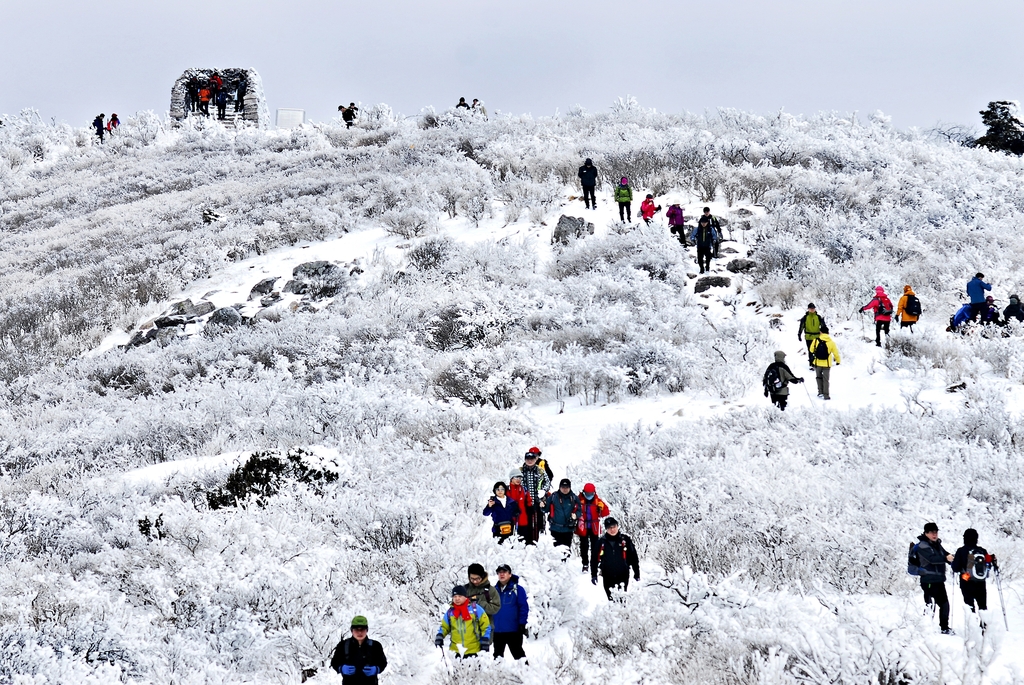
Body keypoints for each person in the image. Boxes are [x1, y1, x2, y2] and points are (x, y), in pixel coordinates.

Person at [909, 522, 954, 635]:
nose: (935, 534)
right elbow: (933, 559)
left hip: (938, 580)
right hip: (928, 580)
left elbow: (945, 556)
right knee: (931, 605)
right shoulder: (922, 546)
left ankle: (944, 628)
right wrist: (946, 558)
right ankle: (928, 629)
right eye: (932, 532)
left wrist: (954, 559)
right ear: (926, 533)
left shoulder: (937, 545)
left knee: (944, 604)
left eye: (936, 532)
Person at [951, 528, 994, 627]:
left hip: (966, 581)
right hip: (981, 583)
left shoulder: (961, 551)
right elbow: (988, 566)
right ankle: (984, 628)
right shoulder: (982, 551)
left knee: (970, 607)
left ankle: (973, 629)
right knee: (983, 607)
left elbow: (956, 568)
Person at [591, 517, 640, 600]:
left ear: (617, 526)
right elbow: (594, 559)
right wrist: (594, 575)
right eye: (609, 527)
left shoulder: (625, 539)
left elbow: (633, 557)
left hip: (623, 574)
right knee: (611, 599)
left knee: (622, 599)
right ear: (606, 529)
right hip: (607, 575)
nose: (612, 529)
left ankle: (623, 613)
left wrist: (637, 572)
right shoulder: (601, 542)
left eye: (614, 526)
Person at [329, 615, 388, 683]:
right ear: (352, 630)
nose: (360, 632)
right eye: (356, 629)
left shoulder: (375, 646)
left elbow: (383, 663)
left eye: (362, 629)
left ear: (367, 630)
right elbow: (335, 662)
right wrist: (341, 668)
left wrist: (376, 669)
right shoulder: (343, 645)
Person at [435, 586, 491, 657]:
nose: (457, 598)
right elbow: (444, 627)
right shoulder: (450, 612)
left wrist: (485, 639)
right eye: (455, 596)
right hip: (456, 651)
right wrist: (440, 635)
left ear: (465, 597)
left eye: (460, 596)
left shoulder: (475, 609)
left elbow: (485, 626)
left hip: (474, 650)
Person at [491, 564, 529, 661]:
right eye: (499, 572)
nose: (502, 574)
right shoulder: (493, 591)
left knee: (519, 656)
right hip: (498, 631)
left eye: (504, 572)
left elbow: (523, 607)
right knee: (497, 658)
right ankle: (497, 675)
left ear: (510, 574)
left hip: (513, 630)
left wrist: (522, 624)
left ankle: (526, 674)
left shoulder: (518, 589)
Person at [577, 483, 609, 575]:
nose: (589, 495)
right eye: (587, 493)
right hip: (583, 526)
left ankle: (595, 563)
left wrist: (602, 508)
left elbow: (605, 512)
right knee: (584, 545)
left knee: (596, 546)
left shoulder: (597, 501)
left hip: (594, 527)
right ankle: (585, 564)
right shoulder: (579, 500)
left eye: (591, 493)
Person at [519, 450, 550, 544]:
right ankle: (526, 542)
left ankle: (536, 542)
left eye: (531, 459)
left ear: (535, 459)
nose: (529, 461)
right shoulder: (520, 471)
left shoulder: (540, 471)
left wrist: (543, 491)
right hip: (524, 502)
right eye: (528, 459)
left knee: (537, 524)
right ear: (525, 460)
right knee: (525, 523)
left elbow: (547, 482)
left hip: (538, 501)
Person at [809, 324, 840, 400]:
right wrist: (838, 361)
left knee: (818, 377)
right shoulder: (831, 342)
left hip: (817, 363)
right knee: (826, 380)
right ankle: (826, 395)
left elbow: (811, 350)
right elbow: (836, 353)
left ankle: (820, 392)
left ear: (821, 332)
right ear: (828, 333)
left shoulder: (816, 340)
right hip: (827, 364)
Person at [548, 478, 580, 551]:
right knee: (556, 552)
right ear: (560, 487)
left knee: (566, 551)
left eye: (567, 487)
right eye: (563, 487)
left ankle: (565, 562)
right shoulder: (553, 497)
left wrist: (576, 515)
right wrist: (542, 505)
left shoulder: (574, 498)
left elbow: (579, 511)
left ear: (570, 488)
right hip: (555, 528)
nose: (565, 489)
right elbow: (546, 509)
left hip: (568, 529)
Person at [797, 303, 826, 368]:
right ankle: (811, 363)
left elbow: (823, 326)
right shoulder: (805, 318)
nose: (812, 310)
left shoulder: (818, 317)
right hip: (808, 337)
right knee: (810, 350)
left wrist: (825, 334)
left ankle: (817, 363)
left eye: (813, 308)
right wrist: (799, 334)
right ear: (808, 309)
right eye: (811, 308)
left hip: (817, 336)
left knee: (818, 350)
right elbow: (801, 326)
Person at [507, 470, 531, 543]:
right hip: (509, 520)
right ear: (511, 478)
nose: (519, 480)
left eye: (520, 478)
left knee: (522, 542)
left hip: (523, 520)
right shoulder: (506, 490)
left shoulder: (524, 490)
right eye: (516, 477)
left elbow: (529, 502)